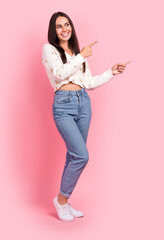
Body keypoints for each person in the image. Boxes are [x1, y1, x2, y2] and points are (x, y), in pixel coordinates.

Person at [41, 11, 131, 222]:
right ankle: (61, 201)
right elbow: (59, 74)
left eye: (67, 25)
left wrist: (111, 72)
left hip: (84, 104)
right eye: (59, 26)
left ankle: (65, 200)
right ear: (53, 31)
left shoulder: (76, 52)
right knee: (82, 155)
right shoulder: (49, 49)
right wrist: (82, 55)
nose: (64, 29)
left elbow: (88, 83)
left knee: (73, 156)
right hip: (63, 105)